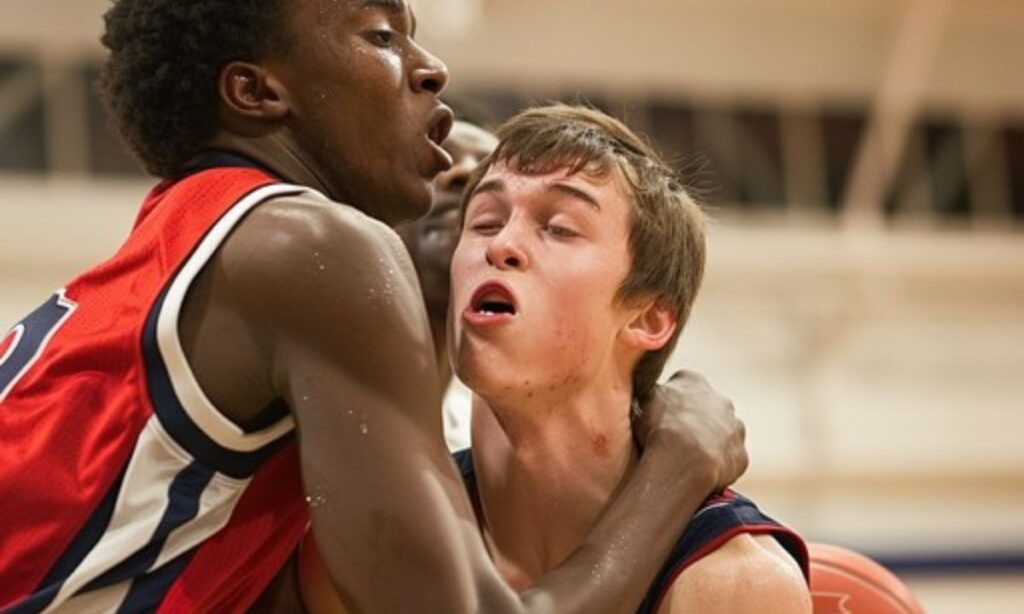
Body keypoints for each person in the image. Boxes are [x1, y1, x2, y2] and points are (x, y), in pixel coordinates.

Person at [0, 2, 748, 613]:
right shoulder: (312, 247)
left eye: (555, 226)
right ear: (258, 93)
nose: (432, 70)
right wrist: (681, 464)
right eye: (382, 35)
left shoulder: (194, 239)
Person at [297, 105, 812, 613]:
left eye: (560, 228)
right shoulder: (375, 536)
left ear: (649, 319)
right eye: (483, 222)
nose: (502, 244)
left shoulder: (736, 584)